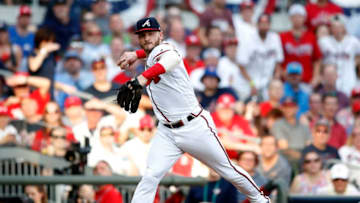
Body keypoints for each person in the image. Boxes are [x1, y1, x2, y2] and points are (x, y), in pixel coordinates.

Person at [118, 17, 270, 203]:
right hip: (167, 131)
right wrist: (136, 54)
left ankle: (261, 200)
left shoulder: (167, 49)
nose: (147, 38)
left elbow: (171, 58)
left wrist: (140, 79)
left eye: (151, 33)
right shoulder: (151, 54)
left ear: (161, 35)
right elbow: (150, 53)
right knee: (150, 175)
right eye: (143, 35)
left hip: (194, 126)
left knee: (227, 169)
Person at [236, 14, 283, 99]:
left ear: (269, 25)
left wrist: (276, 77)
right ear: (257, 24)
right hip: (248, 83)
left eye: (266, 23)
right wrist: (252, 84)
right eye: (262, 23)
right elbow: (241, 65)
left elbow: (278, 61)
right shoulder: (248, 39)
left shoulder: (275, 37)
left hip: (267, 82)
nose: (264, 26)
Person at [280, 4, 322, 85]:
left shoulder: (311, 37)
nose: (297, 19)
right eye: (294, 16)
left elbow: (317, 59)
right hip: (287, 81)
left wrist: (316, 76)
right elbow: (278, 59)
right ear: (290, 18)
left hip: (306, 80)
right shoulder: (283, 36)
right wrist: (282, 72)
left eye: (300, 16)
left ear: (304, 18)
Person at [318, 14, 360, 96]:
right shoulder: (323, 41)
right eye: (334, 26)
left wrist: (354, 64)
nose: (337, 29)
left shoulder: (353, 41)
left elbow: (358, 56)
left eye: (339, 26)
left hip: (348, 78)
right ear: (331, 28)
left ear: (344, 27)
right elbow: (318, 60)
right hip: (329, 80)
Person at [211, 94, 259, 159]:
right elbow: (220, 143)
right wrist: (249, 147)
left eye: (229, 108)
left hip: (238, 160)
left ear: (233, 109)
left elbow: (251, 140)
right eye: (223, 108)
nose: (226, 111)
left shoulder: (239, 120)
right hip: (215, 160)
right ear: (217, 108)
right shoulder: (210, 119)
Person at [271, 97, 312, 162]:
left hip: (304, 158)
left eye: (291, 106)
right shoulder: (278, 124)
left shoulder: (304, 126)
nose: (288, 109)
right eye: (285, 106)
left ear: (297, 108)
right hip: (285, 159)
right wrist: (304, 157)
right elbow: (284, 148)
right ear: (282, 108)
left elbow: (309, 145)